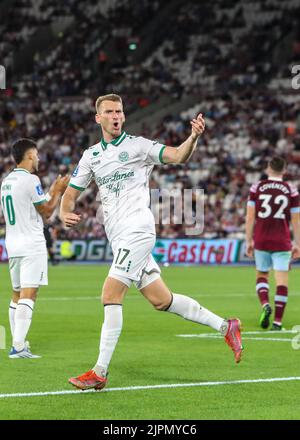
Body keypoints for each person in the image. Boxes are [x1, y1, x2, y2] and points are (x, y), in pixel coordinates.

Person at [60, 93, 243, 391]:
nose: (116, 116)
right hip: (118, 238)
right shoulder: (90, 155)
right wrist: (65, 212)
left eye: (119, 111)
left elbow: (177, 155)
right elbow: (71, 192)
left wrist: (193, 138)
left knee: (110, 294)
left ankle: (99, 372)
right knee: (162, 301)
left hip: (138, 231)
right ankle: (226, 326)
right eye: (109, 111)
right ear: (98, 118)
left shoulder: (138, 146)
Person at [0, 138, 69, 358]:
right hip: (31, 244)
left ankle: (17, 342)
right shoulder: (31, 179)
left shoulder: (7, 181)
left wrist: (49, 192)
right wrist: (58, 191)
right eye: (37, 154)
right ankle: (18, 347)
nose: (38, 158)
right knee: (29, 294)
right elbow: (47, 211)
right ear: (29, 155)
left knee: (17, 294)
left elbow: (34, 205)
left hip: (13, 243)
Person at [246, 156, 300, 330]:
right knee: (282, 282)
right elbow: (295, 220)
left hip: (261, 239)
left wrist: (248, 240)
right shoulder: (291, 190)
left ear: (268, 168)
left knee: (262, 275)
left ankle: (264, 304)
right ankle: (277, 322)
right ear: (284, 171)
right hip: (282, 241)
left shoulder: (257, 187)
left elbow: (250, 217)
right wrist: (297, 243)